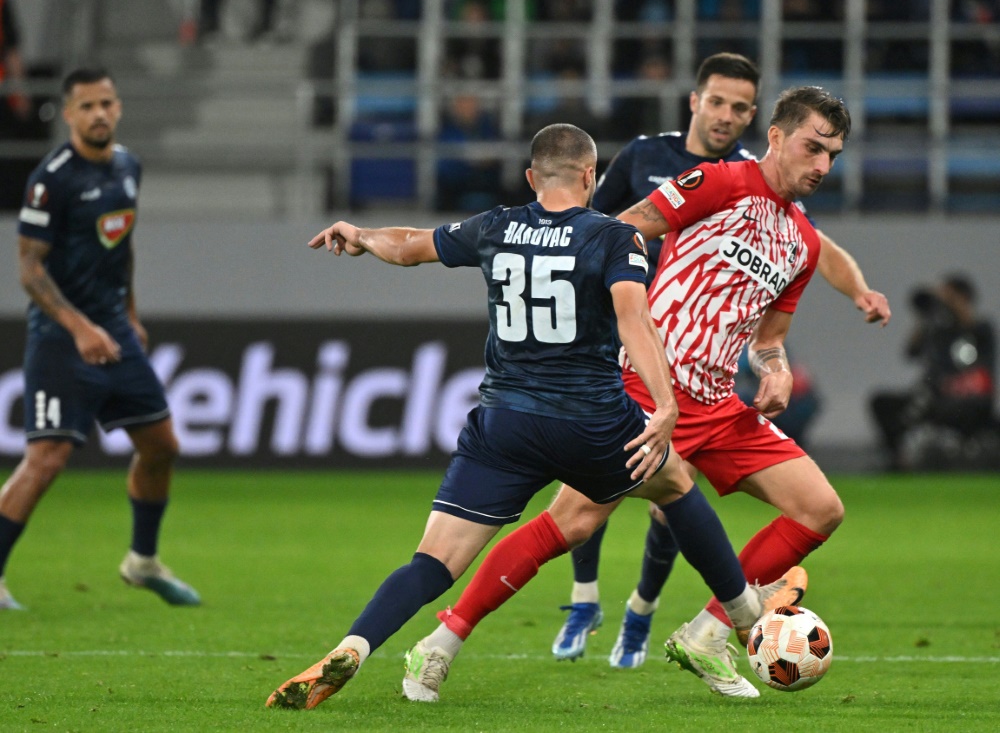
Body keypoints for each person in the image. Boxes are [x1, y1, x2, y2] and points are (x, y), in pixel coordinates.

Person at [265, 123, 807, 710]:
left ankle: (355, 644)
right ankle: (741, 613)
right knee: (675, 482)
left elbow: (410, 245)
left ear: (531, 177)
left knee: (433, 561)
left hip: (502, 424)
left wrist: (360, 234)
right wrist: (666, 403)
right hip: (590, 420)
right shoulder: (613, 237)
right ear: (590, 177)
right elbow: (634, 321)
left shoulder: (495, 226)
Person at [404, 85, 853, 700]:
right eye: (813, 147)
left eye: (833, 154)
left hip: (721, 403)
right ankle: (442, 641)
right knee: (573, 524)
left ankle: (708, 634)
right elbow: (623, 229)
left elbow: (770, 337)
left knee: (820, 508)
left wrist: (772, 367)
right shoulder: (717, 182)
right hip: (647, 389)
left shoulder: (802, 241)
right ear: (776, 137)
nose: (823, 165)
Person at [556, 52, 890, 671]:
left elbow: (816, 255)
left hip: (705, 376)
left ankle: (655, 616)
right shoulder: (652, 159)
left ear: (755, 117)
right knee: (577, 515)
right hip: (631, 359)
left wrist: (852, 295)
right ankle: (562, 604)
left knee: (671, 505)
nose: (726, 115)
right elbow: (600, 227)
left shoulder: (770, 198)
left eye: (740, 106)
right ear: (695, 100)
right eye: (719, 102)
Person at [0, 68, 200, 611]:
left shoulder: (128, 166)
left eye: (107, 103)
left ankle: (142, 561)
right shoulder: (52, 178)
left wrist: (128, 313)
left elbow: (121, 244)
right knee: (46, 458)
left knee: (162, 446)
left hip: (113, 332)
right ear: (68, 113)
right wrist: (79, 327)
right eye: (87, 106)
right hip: (61, 336)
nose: (99, 114)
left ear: (119, 107)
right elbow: (29, 269)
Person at [870, 274, 996, 470]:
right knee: (882, 404)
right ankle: (898, 460)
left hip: (969, 403)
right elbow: (911, 352)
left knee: (925, 408)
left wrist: (957, 306)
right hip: (935, 398)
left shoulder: (981, 328)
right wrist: (926, 316)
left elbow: (972, 331)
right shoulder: (939, 330)